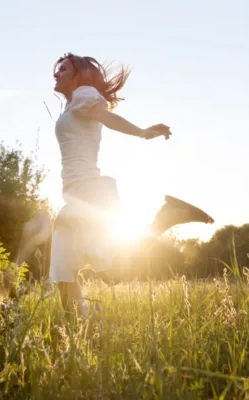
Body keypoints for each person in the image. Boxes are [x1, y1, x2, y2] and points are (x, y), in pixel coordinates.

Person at [49, 53, 171, 317]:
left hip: (90, 193)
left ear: (79, 75)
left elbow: (105, 116)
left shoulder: (84, 94)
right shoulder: (72, 105)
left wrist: (141, 132)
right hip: (75, 195)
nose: (56, 74)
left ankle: (166, 219)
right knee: (62, 269)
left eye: (63, 69)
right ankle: (78, 327)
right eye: (56, 70)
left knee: (109, 267)